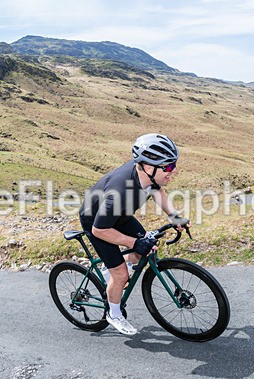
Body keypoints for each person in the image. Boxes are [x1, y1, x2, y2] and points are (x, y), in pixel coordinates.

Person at [79, 133, 185, 335]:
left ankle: (110, 269)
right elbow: (99, 230)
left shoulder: (148, 174)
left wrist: (174, 216)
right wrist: (133, 242)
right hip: (97, 223)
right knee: (121, 274)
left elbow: (158, 191)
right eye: (168, 167)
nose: (173, 171)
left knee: (147, 248)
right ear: (148, 166)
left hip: (122, 216)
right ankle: (114, 314)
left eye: (174, 164)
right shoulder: (119, 192)